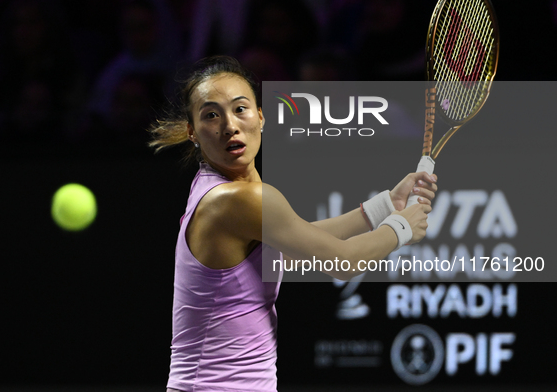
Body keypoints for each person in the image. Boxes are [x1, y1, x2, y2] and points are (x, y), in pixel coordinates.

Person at [149, 56, 437, 392]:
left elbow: (299, 246)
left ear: (260, 116)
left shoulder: (220, 190)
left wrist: (385, 206)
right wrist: (401, 228)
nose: (229, 125)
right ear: (192, 132)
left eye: (240, 109)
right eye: (211, 115)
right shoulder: (236, 201)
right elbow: (341, 261)